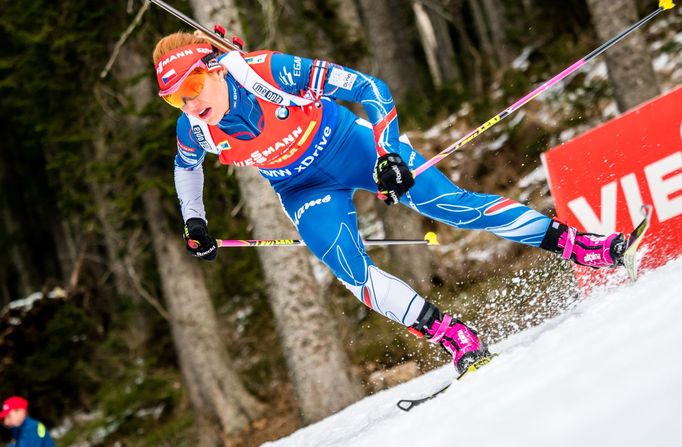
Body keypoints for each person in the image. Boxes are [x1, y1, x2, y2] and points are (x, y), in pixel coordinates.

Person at [152, 32, 626, 374]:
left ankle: (584, 248)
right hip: (301, 187)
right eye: (176, 100)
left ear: (213, 67)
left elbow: (368, 87)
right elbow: (186, 168)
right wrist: (194, 222)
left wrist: (388, 155)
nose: (189, 106)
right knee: (351, 271)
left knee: (452, 206)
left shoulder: (267, 71)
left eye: (192, 88)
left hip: (350, 146)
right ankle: (455, 338)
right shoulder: (194, 129)